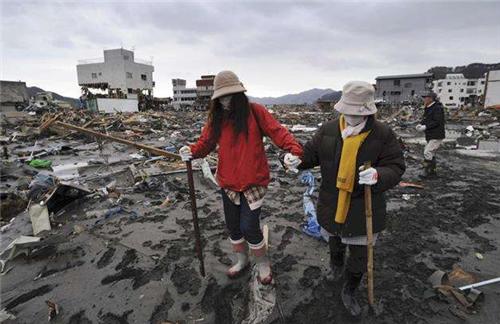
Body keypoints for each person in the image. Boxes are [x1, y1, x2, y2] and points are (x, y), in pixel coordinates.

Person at [285, 81, 405, 316]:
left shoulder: (383, 134)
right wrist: (295, 160)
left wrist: (379, 174)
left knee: (360, 254)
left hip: (364, 206)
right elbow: (310, 155)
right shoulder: (328, 130)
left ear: (369, 110)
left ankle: (350, 289)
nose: (351, 116)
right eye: (347, 111)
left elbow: (396, 166)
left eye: (356, 112)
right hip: (332, 201)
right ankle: (336, 267)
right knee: (334, 240)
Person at [179, 71, 303, 285]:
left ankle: (263, 263)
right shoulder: (216, 119)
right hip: (227, 183)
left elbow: (278, 132)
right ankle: (242, 259)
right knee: (233, 226)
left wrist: (294, 150)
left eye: (230, 96)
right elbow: (205, 144)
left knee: (249, 226)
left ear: (239, 94)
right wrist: (190, 150)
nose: (226, 101)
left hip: (253, 182)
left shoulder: (255, 112)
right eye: (222, 98)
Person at [416, 91, 445, 178]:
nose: (424, 99)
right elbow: (426, 118)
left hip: (436, 134)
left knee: (427, 152)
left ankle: (428, 172)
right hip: (431, 134)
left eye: (426, 97)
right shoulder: (429, 107)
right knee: (430, 153)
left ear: (431, 98)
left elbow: (437, 121)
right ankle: (432, 172)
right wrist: (421, 124)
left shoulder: (437, 108)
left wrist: (425, 126)